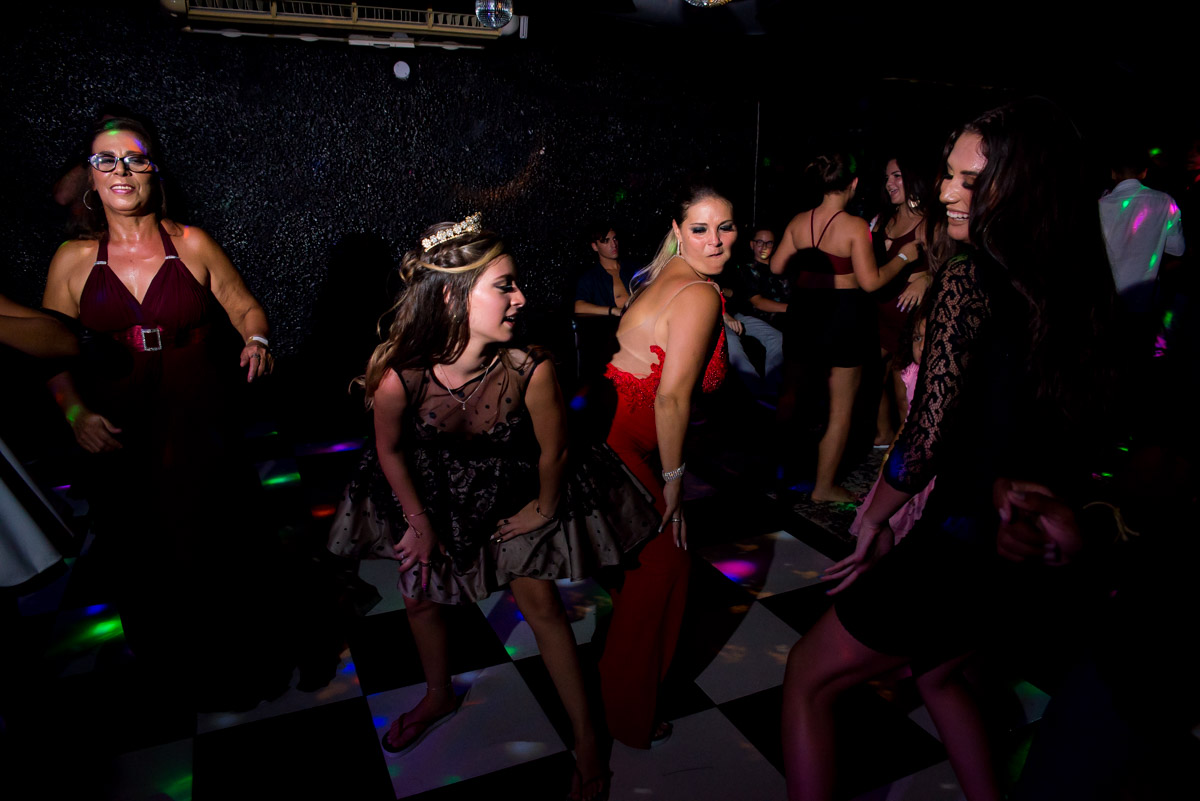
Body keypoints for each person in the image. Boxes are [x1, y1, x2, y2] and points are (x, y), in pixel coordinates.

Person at [781, 99, 1116, 801]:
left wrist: (875, 516)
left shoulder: (971, 278)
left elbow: (926, 436)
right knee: (939, 673)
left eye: (968, 181)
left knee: (808, 677)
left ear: (1019, 188)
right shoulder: (1078, 284)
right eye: (948, 176)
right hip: (1019, 552)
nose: (944, 192)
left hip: (964, 540)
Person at [335, 217, 654, 801]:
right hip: (429, 494)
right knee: (420, 595)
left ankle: (586, 741)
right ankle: (437, 694)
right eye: (504, 286)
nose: (521, 297)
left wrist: (542, 508)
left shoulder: (530, 367)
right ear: (455, 297)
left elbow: (556, 450)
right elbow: (388, 450)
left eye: (516, 284)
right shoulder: (398, 377)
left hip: (512, 486)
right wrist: (419, 523)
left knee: (540, 601)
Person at [40, 115, 280, 706]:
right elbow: (49, 353)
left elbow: (245, 308)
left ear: (153, 171)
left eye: (134, 158)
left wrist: (257, 341)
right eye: (105, 160)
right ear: (90, 179)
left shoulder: (192, 242)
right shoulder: (72, 260)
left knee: (214, 541)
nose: (120, 169)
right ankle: (169, 674)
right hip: (120, 424)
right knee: (139, 549)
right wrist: (74, 414)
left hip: (198, 414)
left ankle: (233, 668)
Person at [598, 181, 732, 749]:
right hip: (621, 449)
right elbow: (672, 398)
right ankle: (626, 713)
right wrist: (675, 483)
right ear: (677, 232)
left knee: (653, 573)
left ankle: (624, 698)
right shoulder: (699, 295)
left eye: (725, 227)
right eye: (699, 228)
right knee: (665, 569)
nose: (715, 240)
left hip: (611, 441)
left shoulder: (663, 279)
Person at [771, 151, 919, 503]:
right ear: (853, 185)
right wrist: (904, 257)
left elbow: (777, 267)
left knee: (793, 399)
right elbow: (871, 283)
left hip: (805, 314)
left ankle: (780, 473)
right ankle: (823, 487)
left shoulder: (797, 221)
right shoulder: (854, 226)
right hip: (843, 317)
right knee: (840, 409)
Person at [869, 155, 931, 445]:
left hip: (907, 320)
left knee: (902, 389)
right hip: (877, 313)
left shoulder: (929, 222)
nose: (889, 183)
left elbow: (950, 265)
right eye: (886, 178)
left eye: (896, 176)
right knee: (868, 380)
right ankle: (883, 433)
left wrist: (928, 278)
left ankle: (904, 450)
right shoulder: (881, 220)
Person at [722, 228, 787, 398]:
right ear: (752, 245)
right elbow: (755, 302)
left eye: (769, 243)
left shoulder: (782, 268)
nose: (764, 247)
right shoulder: (746, 269)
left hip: (742, 315)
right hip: (743, 316)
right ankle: (762, 393)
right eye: (760, 242)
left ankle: (772, 391)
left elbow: (732, 293)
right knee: (733, 342)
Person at [574, 223, 637, 318]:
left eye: (614, 238)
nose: (613, 244)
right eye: (606, 241)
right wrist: (613, 310)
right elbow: (579, 307)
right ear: (595, 247)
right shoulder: (590, 278)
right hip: (614, 329)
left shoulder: (633, 268)